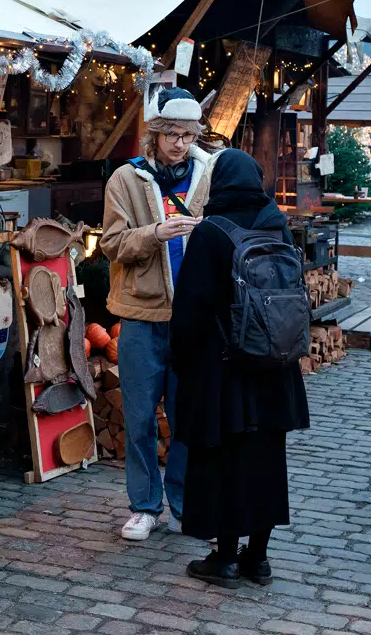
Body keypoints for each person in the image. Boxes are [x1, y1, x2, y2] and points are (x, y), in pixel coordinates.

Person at [169, 150, 309, 588]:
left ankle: (226, 560)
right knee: (267, 464)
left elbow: (189, 310)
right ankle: (259, 560)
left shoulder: (211, 231)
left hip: (224, 370)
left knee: (223, 463)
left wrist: (183, 365)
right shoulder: (277, 224)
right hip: (276, 367)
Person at [100, 87, 216, 540]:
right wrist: (155, 233)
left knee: (187, 418)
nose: (180, 144)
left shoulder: (210, 173)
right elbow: (111, 243)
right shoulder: (126, 179)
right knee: (139, 417)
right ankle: (145, 506)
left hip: (192, 317)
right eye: (172, 135)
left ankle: (184, 504)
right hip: (141, 315)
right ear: (156, 134)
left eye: (188, 136)